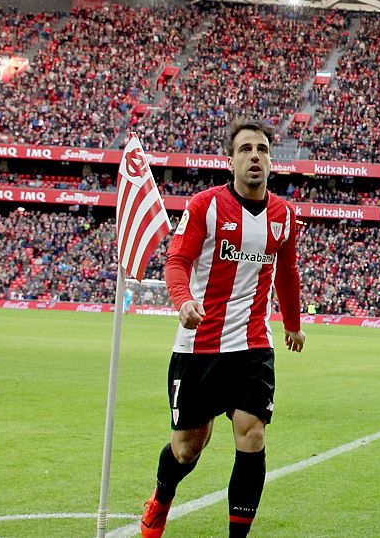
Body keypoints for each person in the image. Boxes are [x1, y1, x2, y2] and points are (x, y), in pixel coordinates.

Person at [139, 119, 304, 538]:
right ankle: (161, 498)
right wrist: (183, 301)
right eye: (246, 149)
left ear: (271, 161)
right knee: (187, 447)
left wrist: (293, 324)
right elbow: (177, 262)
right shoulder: (204, 206)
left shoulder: (284, 215)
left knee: (252, 435)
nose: (255, 156)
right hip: (199, 346)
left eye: (263, 150)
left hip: (252, 345)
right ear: (229, 160)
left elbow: (287, 272)